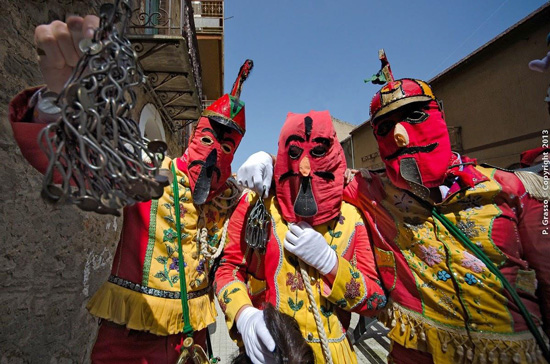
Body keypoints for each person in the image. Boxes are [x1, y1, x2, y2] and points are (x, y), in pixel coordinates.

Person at [239, 79, 550, 363]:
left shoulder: (516, 188)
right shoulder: (370, 190)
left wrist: (330, 262)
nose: (400, 135)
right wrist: (270, 159)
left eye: (414, 115)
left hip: (512, 354)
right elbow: (313, 173)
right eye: (386, 127)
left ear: (438, 113)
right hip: (415, 355)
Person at [9, 15, 253, 363]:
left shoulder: (230, 201)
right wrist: (60, 111)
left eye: (227, 146)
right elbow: (79, 167)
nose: (214, 151)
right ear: (195, 132)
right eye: (208, 137)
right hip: (129, 346)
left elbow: (235, 263)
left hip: (194, 344)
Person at [214, 110, 387, 364]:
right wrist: (244, 314)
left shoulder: (352, 216)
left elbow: (376, 300)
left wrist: (332, 265)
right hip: (273, 349)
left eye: (317, 152)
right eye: (294, 154)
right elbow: (228, 267)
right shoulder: (259, 207)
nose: (305, 167)